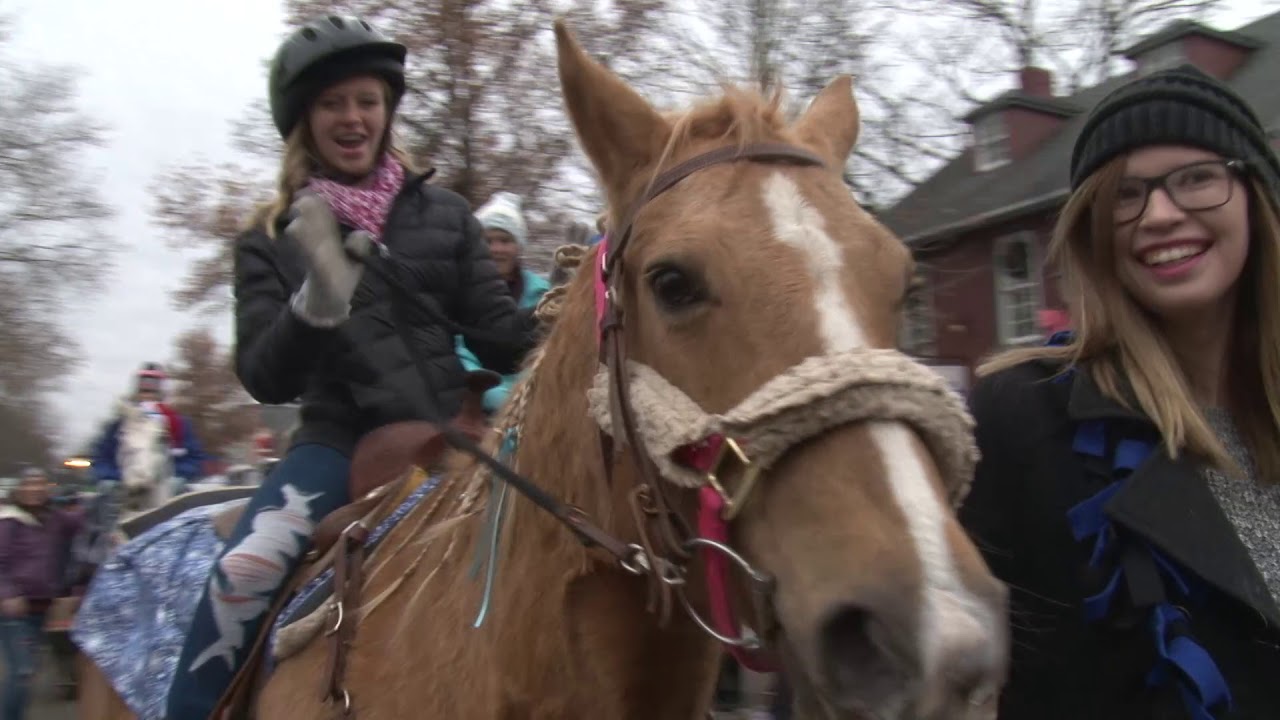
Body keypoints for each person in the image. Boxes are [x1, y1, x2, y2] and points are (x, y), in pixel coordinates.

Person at [164, 15, 537, 719]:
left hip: (453, 434)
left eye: (366, 100)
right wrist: (314, 306)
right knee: (244, 572)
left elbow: (498, 339)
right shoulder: (267, 238)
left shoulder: (449, 217)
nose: (352, 116)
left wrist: (567, 312)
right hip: (337, 443)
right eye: (333, 102)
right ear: (307, 118)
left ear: (386, 110)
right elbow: (263, 375)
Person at [962, 65, 1280, 718]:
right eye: (1126, 195)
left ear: (1255, 197)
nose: (1160, 215)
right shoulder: (1020, 419)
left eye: (1197, 178)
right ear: (1094, 231)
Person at [455, 191, 550, 413]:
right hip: (471, 401)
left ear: (518, 247)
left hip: (527, 404)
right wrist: (486, 391)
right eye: (488, 241)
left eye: (505, 240)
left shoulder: (543, 294)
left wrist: (519, 392)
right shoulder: (459, 290)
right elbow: (456, 346)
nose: (496, 249)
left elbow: (543, 352)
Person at [0, 467, 83, 720]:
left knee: (32, 669)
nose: (35, 489)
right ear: (20, 490)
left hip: (42, 608)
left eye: (40, 484)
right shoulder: (9, 522)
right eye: (29, 484)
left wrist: (107, 495)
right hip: (15, 610)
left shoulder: (54, 519)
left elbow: (82, 524)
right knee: (23, 671)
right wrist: (7, 593)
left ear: (48, 489)